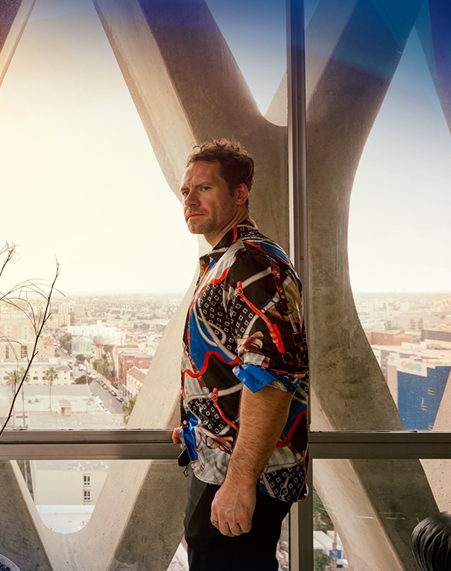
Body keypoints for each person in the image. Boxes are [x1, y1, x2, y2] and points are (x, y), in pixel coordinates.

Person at [171, 139, 309, 570]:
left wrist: (240, 482)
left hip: (244, 474)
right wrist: (197, 423)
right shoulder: (225, 261)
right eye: (186, 190)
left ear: (239, 194)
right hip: (218, 463)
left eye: (205, 188)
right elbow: (227, 364)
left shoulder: (251, 264)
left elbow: (271, 380)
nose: (190, 199)